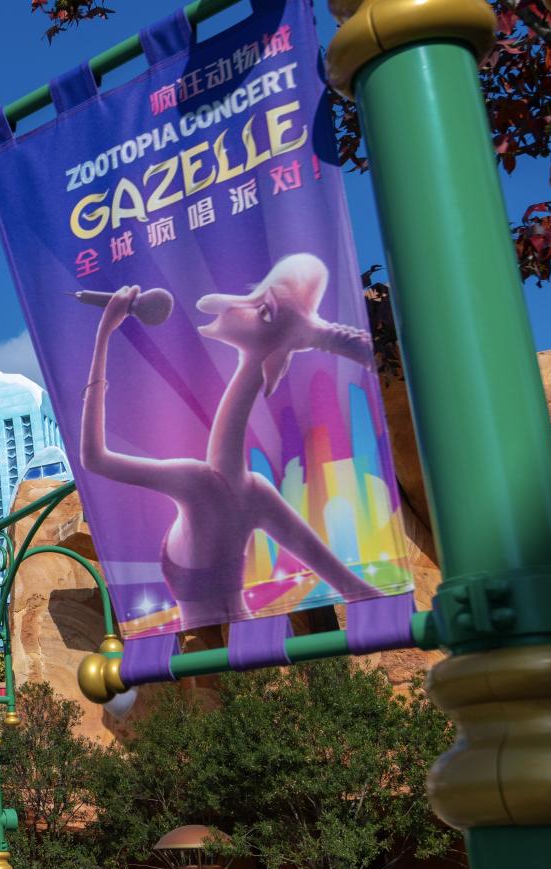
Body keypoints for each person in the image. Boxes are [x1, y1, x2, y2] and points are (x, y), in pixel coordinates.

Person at [81, 254, 378, 630]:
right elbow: (95, 459)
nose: (234, 305)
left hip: (232, 641)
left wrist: (105, 332)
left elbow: (96, 458)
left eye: (263, 309)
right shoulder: (241, 491)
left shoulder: (213, 485)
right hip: (230, 639)